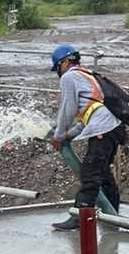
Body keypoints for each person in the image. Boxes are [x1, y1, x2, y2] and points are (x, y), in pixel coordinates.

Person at [48, 43, 123, 229]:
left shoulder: (69, 77)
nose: (58, 71)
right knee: (103, 173)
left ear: (64, 63)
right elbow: (90, 115)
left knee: (90, 173)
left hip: (103, 129)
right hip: (114, 127)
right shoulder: (87, 74)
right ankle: (113, 214)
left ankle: (80, 216)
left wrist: (58, 136)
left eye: (58, 67)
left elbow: (68, 110)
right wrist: (69, 135)